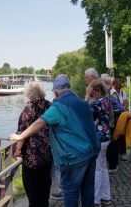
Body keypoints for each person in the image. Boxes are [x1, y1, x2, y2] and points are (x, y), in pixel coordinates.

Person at [9, 74, 100, 207]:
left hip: (73, 156)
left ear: (56, 92)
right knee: (87, 189)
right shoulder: (82, 102)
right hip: (91, 152)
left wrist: (21, 136)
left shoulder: (59, 107)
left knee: (70, 191)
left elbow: (40, 122)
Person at [13, 82, 53, 207]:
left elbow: (22, 132)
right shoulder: (50, 105)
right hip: (48, 152)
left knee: (31, 186)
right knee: (45, 181)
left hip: (32, 155)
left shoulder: (29, 108)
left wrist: (17, 150)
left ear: (29, 94)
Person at [89, 79, 112, 206]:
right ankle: (106, 196)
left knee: (97, 170)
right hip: (106, 137)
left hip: (99, 138)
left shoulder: (97, 104)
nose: (91, 93)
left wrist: (87, 96)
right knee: (103, 168)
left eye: (92, 91)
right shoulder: (106, 101)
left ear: (96, 91)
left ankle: (96, 200)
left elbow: (85, 111)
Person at [111, 78, 128, 161]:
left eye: (119, 87)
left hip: (121, 114)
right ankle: (117, 152)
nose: (118, 89)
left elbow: (126, 103)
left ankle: (123, 152)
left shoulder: (122, 92)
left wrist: (122, 108)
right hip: (115, 116)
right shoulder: (112, 92)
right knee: (116, 133)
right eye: (117, 87)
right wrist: (122, 108)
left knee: (122, 133)